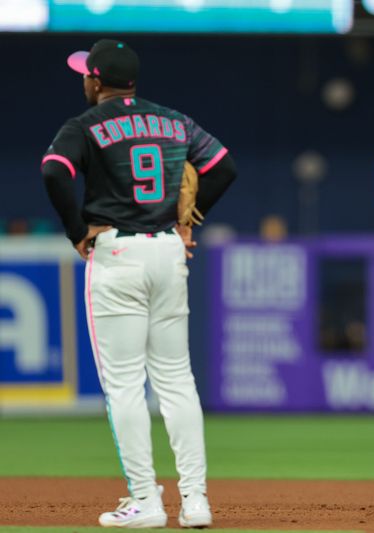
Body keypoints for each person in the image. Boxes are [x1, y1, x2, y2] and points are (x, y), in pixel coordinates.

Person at [41, 39, 236, 528]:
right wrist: (191, 219)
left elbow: (54, 172)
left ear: (96, 80)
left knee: (125, 386)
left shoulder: (85, 125)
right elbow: (223, 168)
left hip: (119, 255)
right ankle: (195, 502)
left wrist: (75, 230)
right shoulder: (174, 121)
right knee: (176, 380)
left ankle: (146, 501)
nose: (84, 79)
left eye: (86, 73)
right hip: (169, 251)